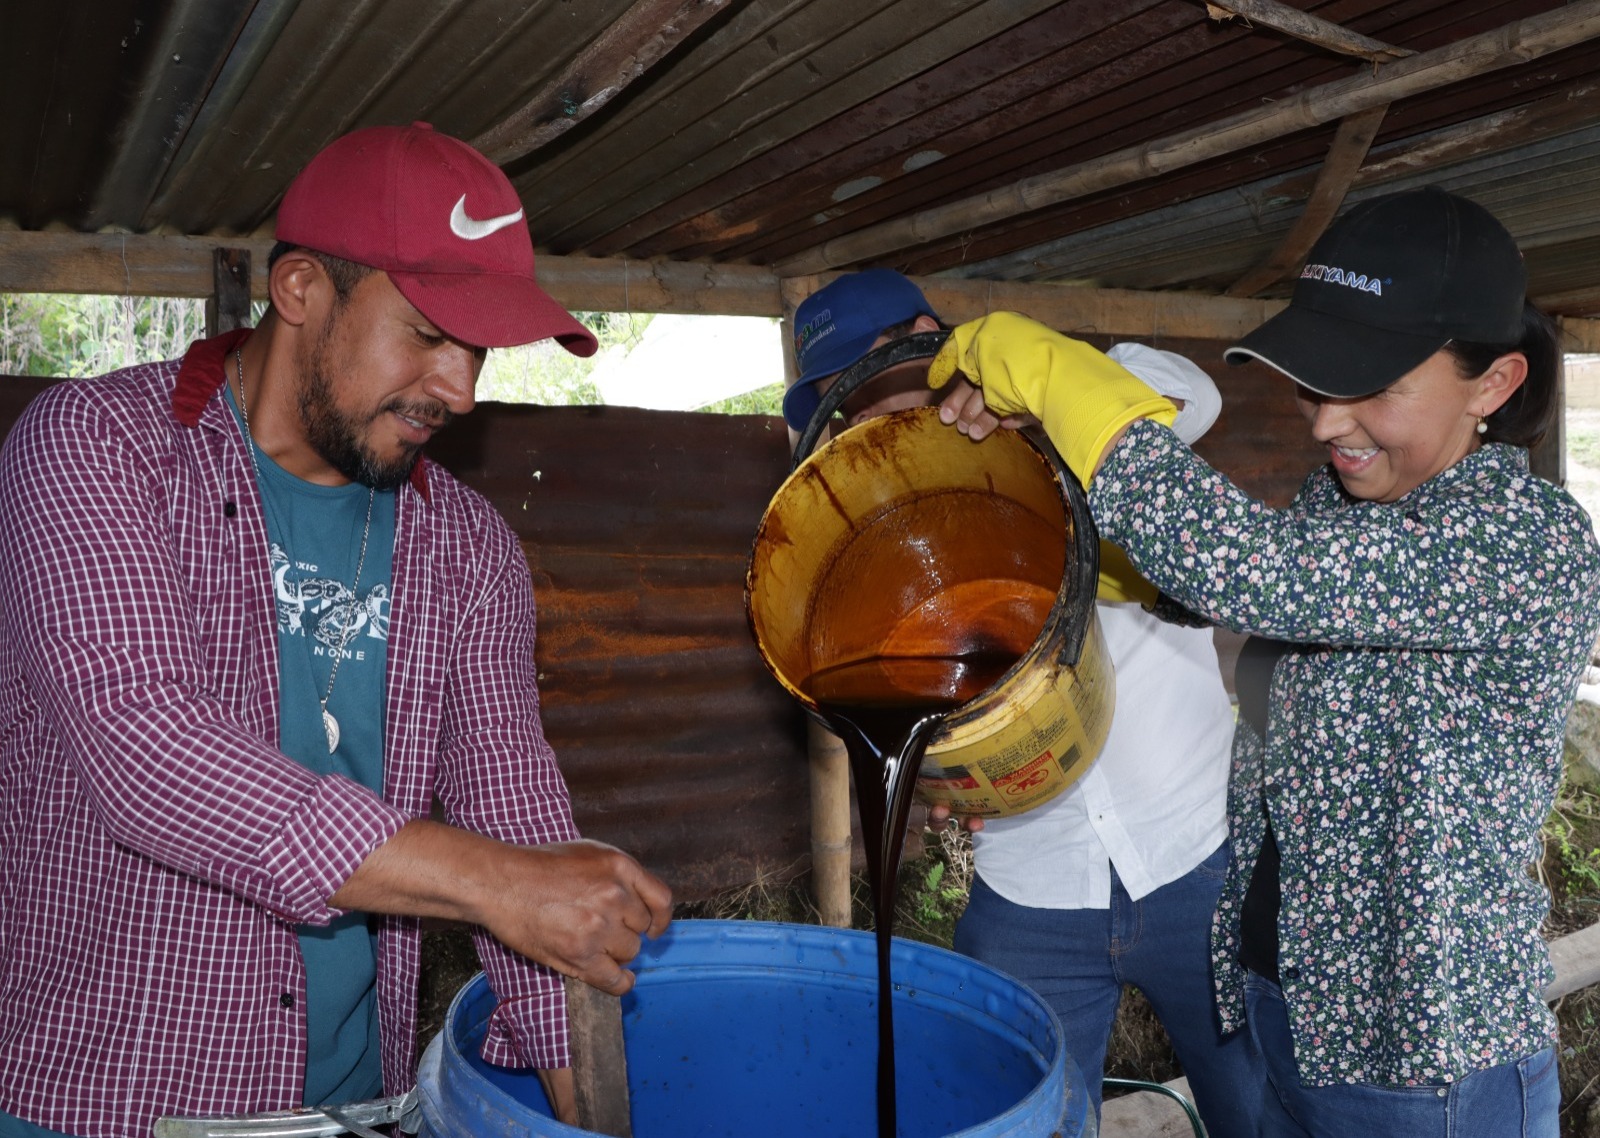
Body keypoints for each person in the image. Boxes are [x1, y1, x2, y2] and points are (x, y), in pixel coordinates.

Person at [0, 123, 673, 1138]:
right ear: (303, 290)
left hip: (358, 1104)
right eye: (429, 333)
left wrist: (583, 1098)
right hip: (109, 1098)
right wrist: (499, 885)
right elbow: (149, 752)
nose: (461, 388)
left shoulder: (468, 546)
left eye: (478, 348)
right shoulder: (98, 452)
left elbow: (516, 811)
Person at [926, 187, 1600, 1136]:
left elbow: (1263, 575)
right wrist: (1125, 577)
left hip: (1421, 1060)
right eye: (1316, 385)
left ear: (1490, 386)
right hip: (1281, 1010)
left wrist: (1055, 378)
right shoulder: (1339, 503)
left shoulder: (1526, 541)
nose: (1327, 425)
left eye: (1373, 389)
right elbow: (1280, 609)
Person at [784, 269, 1265, 1135]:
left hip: (1198, 856)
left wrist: (1038, 412)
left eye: (867, 378)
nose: (866, 420)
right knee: (1017, 1113)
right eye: (836, 403)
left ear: (928, 340)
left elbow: (1191, 399)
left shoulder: (1086, 388)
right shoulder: (893, 538)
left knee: (1262, 1109)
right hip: (1032, 885)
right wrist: (945, 782)